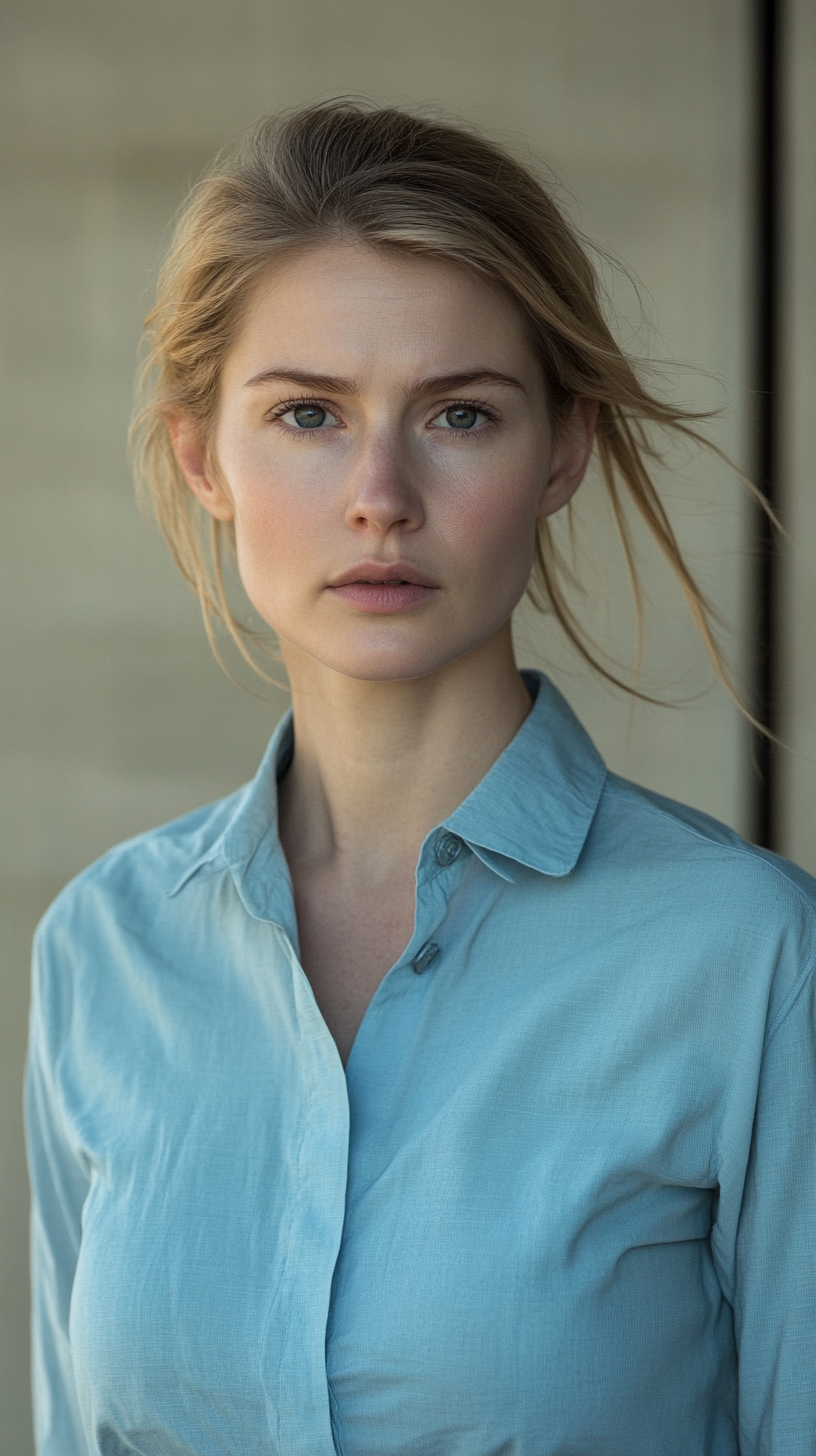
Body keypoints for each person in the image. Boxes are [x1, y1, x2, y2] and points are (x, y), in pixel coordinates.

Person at [24, 100, 816, 1456]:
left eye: (459, 413)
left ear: (560, 450)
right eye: (309, 415)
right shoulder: (103, 950)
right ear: (201, 456)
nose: (380, 492)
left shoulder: (747, 961)